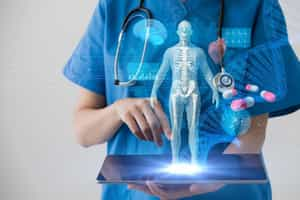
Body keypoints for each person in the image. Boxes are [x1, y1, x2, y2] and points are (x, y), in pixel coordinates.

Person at [63, 0, 300, 199]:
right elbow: (83, 132)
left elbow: (255, 129)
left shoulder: (253, 5)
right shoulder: (115, 6)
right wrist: (117, 111)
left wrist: (211, 179)